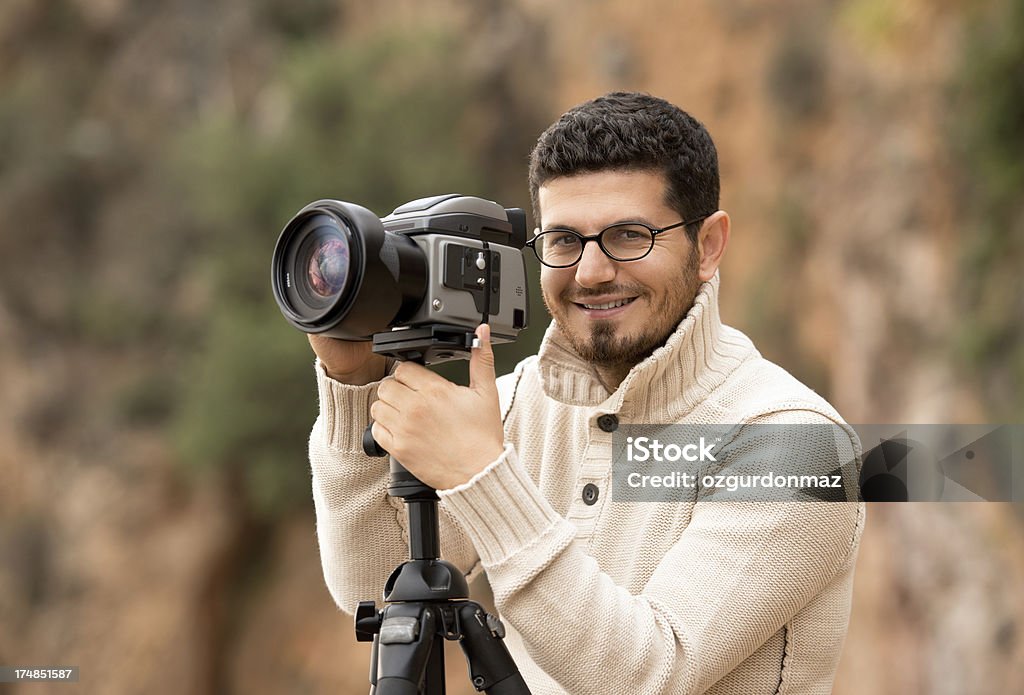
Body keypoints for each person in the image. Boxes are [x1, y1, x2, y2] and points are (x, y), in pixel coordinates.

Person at [307, 92, 865, 694]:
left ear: (707, 246)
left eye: (629, 236)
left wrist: (484, 475)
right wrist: (354, 382)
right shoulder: (517, 406)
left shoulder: (800, 446)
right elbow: (374, 584)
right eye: (564, 241)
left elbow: (651, 672)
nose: (592, 272)